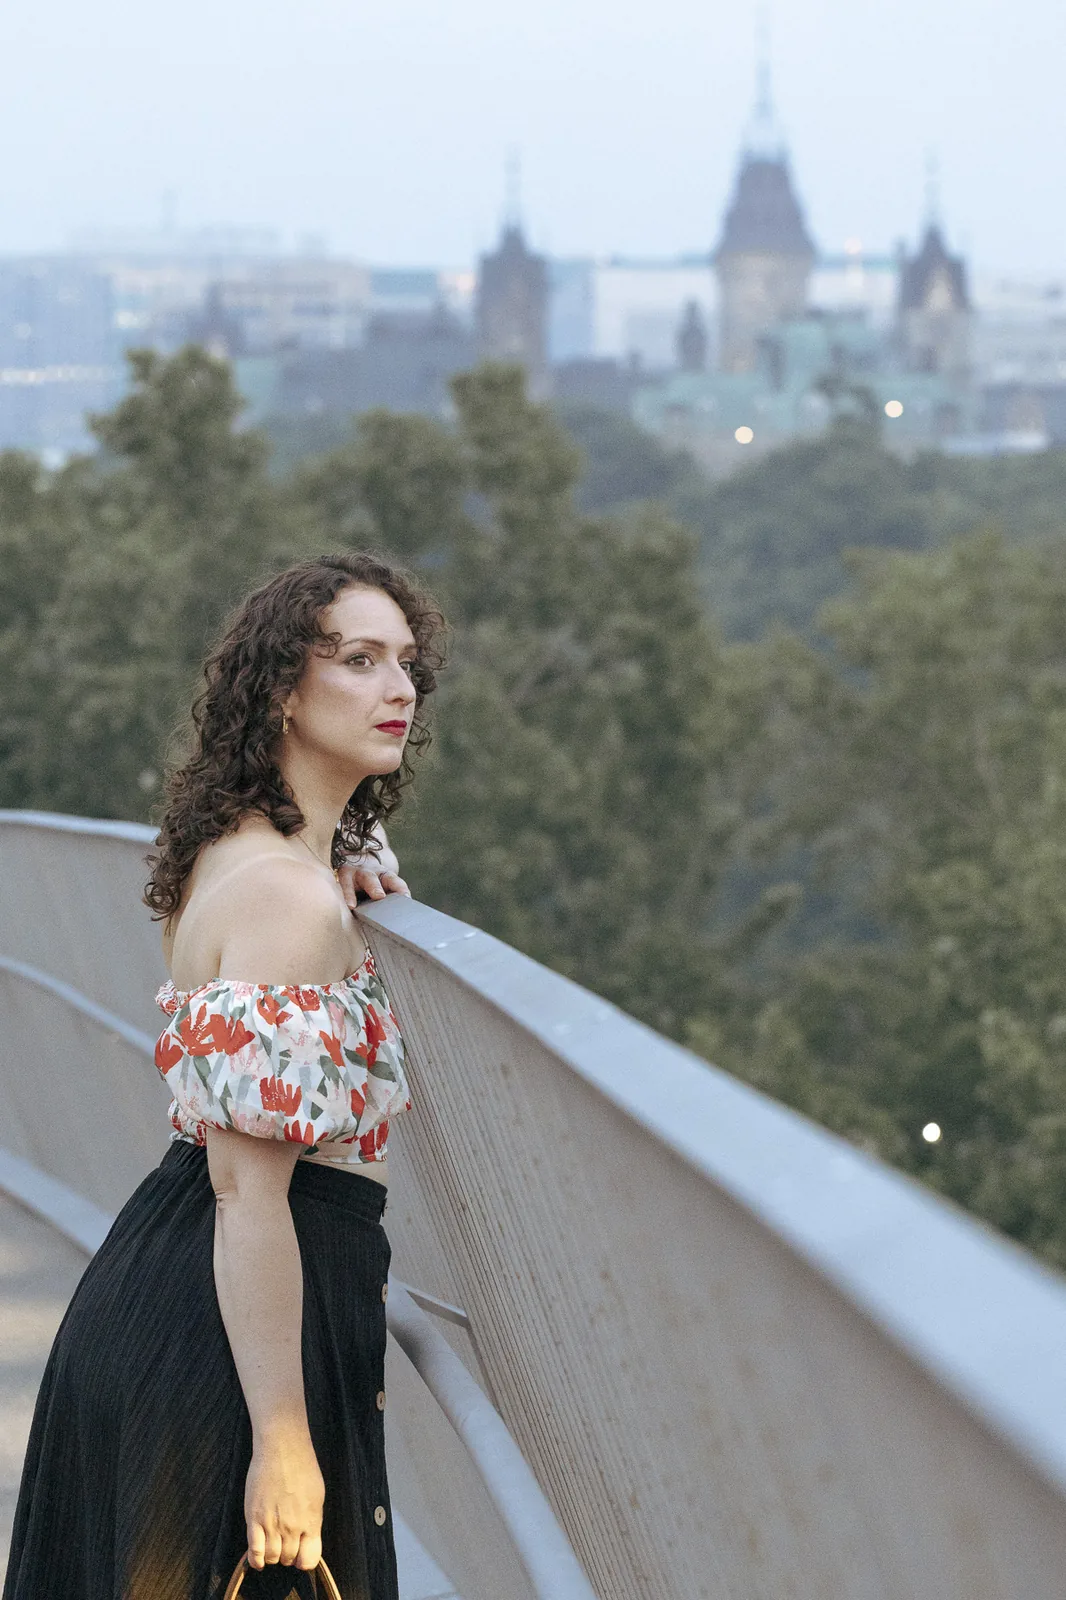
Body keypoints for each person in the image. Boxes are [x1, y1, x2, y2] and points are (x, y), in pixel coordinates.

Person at [3, 551, 445, 1600]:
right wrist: (281, 1442)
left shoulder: (232, 853)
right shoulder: (287, 900)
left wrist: (349, 846)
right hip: (230, 1342)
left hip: (169, 1295)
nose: (398, 689)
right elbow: (249, 1189)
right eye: (359, 659)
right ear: (286, 689)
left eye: (408, 664)